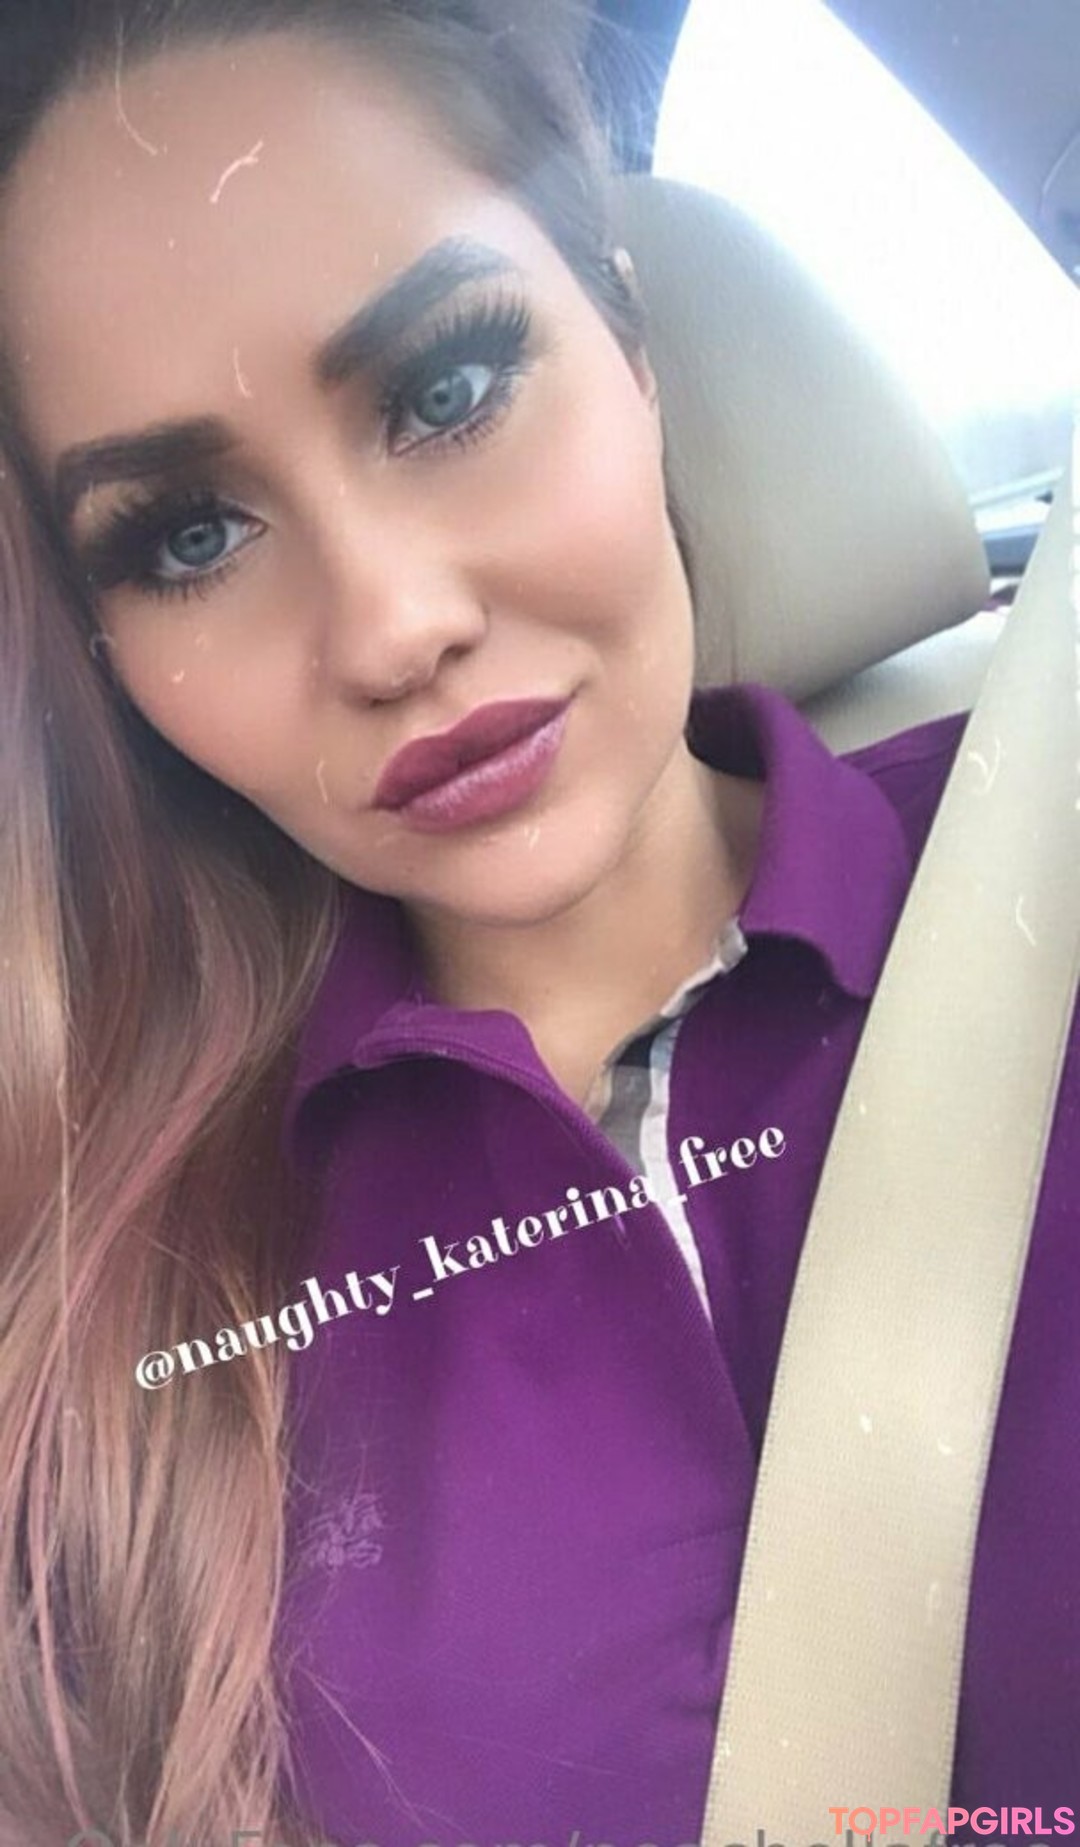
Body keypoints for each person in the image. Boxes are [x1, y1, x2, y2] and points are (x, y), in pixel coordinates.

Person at [0, 3, 1076, 1844]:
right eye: (187, 536)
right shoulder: (108, 1281)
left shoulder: (1049, 860)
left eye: (445, 392)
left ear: (632, 341)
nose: (391, 626)